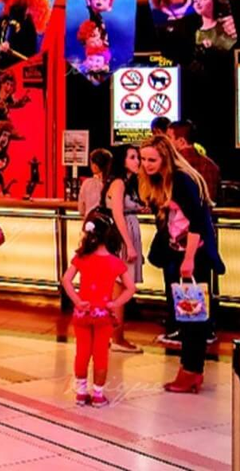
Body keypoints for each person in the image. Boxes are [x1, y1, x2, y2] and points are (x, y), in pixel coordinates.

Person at [139, 135, 225, 392]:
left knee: (192, 316)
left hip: (193, 255)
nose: (147, 164)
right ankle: (189, 370)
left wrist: (188, 259)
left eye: (152, 160)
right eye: (143, 159)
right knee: (185, 314)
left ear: (165, 158)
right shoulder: (159, 182)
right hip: (177, 253)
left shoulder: (182, 180)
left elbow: (198, 222)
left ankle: (191, 371)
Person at [61, 210, 137, 407]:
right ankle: (98, 395)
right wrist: (115, 303)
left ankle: (80, 393)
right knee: (101, 354)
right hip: (103, 314)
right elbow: (131, 288)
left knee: (82, 352)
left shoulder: (81, 257)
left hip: (82, 313)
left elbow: (66, 280)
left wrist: (77, 301)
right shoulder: (115, 262)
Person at [104, 144, 146, 353]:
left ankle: (112, 335)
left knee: (118, 288)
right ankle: (117, 338)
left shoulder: (126, 183)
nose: (138, 161)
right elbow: (118, 214)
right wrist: (129, 244)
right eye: (132, 157)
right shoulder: (119, 183)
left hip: (126, 236)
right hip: (123, 238)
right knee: (120, 288)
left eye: (137, 157)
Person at [77, 149, 112, 217]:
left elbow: (81, 210)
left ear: (95, 166)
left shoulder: (87, 184)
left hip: (90, 221)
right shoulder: (114, 184)